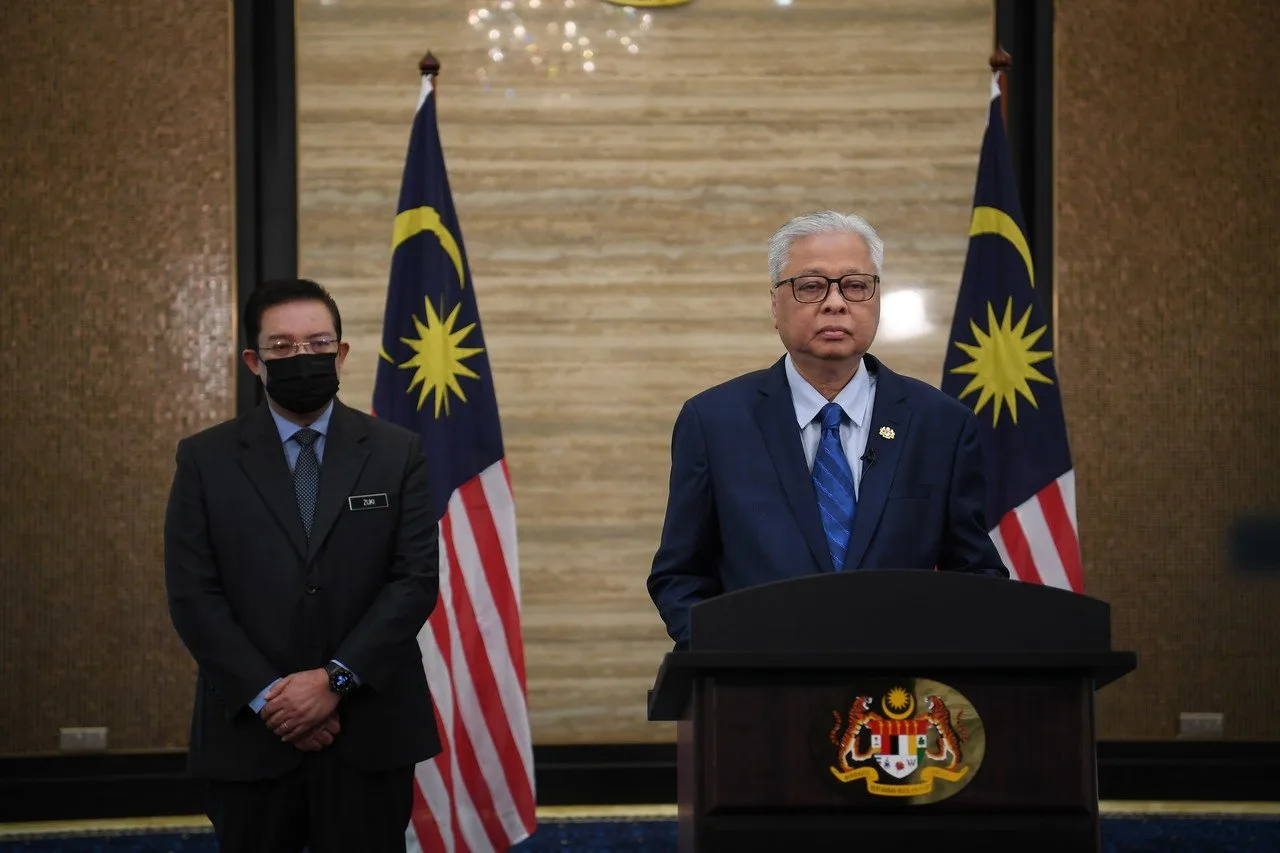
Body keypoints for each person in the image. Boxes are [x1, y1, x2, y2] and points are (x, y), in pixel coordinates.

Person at [163, 278, 440, 852]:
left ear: (341, 352)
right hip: (251, 734)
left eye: (318, 343)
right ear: (254, 361)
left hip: (369, 731)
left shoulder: (397, 452)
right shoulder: (205, 459)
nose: (303, 356)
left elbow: (413, 582)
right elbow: (193, 595)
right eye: (282, 346)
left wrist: (334, 681)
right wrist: (274, 699)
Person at [647, 211, 1009, 648]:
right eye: (811, 286)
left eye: (855, 285)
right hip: (759, 681)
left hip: (897, 684)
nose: (836, 303)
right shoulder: (714, 422)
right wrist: (730, 657)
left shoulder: (941, 424)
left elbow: (974, 575)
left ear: (877, 299)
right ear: (775, 305)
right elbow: (680, 576)